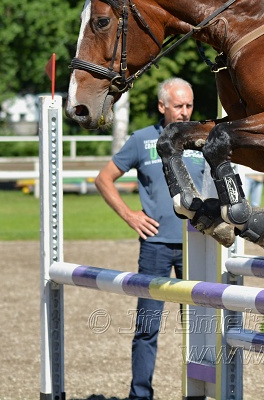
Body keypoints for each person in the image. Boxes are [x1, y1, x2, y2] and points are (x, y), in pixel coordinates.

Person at [94, 77, 207, 400]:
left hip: (195, 246)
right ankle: (140, 394)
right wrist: (130, 215)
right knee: (147, 328)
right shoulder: (142, 141)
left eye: (189, 105)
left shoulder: (201, 140)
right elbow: (104, 179)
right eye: (178, 106)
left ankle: (197, 394)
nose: (185, 113)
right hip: (155, 248)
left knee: (198, 327)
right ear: (162, 106)